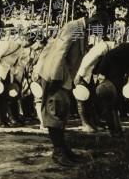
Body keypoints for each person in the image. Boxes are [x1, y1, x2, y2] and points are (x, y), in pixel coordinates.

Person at [33, 13, 104, 166]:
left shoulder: (82, 29)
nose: (96, 32)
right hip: (55, 76)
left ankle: (63, 149)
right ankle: (58, 152)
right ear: (93, 21)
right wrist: (56, 78)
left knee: (61, 112)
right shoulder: (73, 27)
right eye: (98, 28)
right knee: (55, 112)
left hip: (64, 77)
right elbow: (59, 53)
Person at [73, 37, 113, 132]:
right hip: (83, 73)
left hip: (90, 74)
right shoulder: (102, 48)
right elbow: (87, 61)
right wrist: (79, 75)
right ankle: (85, 123)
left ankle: (93, 122)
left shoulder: (107, 48)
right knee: (82, 97)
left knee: (91, 99)